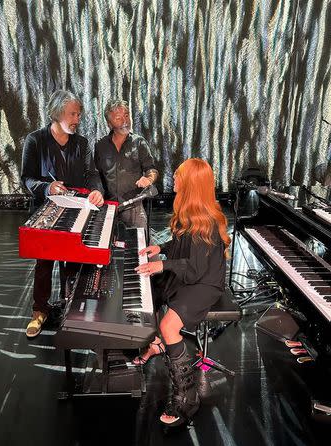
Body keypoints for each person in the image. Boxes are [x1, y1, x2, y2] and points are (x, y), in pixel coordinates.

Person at [134, 158, 231, 427]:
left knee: (169, 325)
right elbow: (181, 248)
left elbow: (195, 270)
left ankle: (187, 398)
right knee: (150, 289)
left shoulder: (207, 222)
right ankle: (155, 344)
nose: (173, 181)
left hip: (205, 283)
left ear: (191, 185)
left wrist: (162, 264)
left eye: (178, 178)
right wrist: (161, 249)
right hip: (191, 273)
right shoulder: (190, 211)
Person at [21, 90, 104, 338]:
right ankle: (40, 311)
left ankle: (71, 308)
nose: (77, 118)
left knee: (74, 261)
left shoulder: (82, 143)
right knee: (44, 263)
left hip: (78, 210)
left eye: (78, 113)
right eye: (72, 113)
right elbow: (26, 179)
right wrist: (47, 187)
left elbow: (92, 175)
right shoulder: (35, 140)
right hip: (47, 211)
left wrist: (97, 191)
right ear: (57, 113)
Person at [94, 99, 158, 229]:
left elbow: (152, 170)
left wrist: (149, 179)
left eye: (127, 115)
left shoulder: (139, 143)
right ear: (109, 123)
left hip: (134, 208)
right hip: (109, 208)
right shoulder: (101, 145)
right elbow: (96, 175)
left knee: (140, 246)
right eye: (118, 118)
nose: (125, 121)